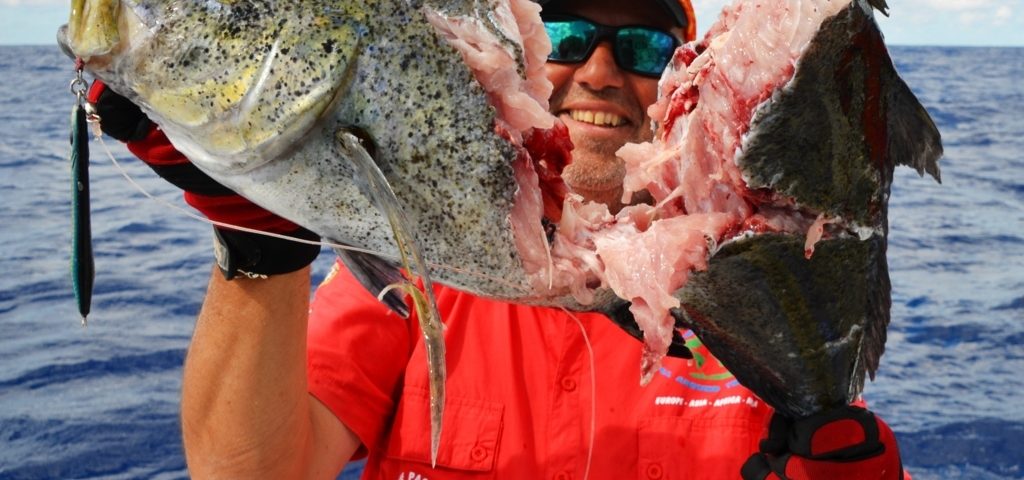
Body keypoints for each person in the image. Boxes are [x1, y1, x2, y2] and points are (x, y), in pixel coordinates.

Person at [89, 0, 907, 478]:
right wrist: (260, 253)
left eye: (646, 46)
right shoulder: (417, 275)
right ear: (524, 55)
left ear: (684, 83)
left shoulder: (755, 308)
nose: (597, 71)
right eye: (571, 33)